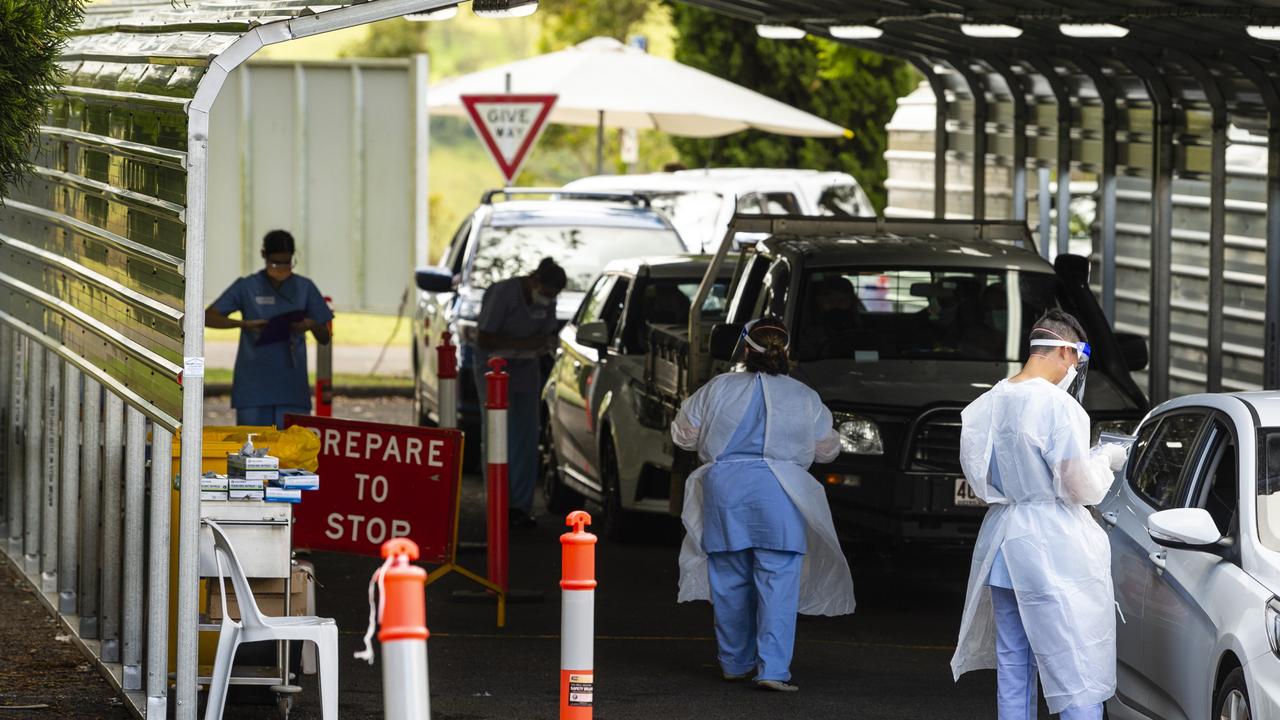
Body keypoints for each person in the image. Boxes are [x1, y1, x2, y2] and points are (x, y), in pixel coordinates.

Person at [951, 309, 1129, 720]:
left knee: (1014, 662)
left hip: (1004, 540)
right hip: (1053, 545)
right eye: (1077, 361)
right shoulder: (1059, 407)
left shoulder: (985, 403)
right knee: (1074, 660)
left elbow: (979, 472)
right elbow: (1078, 485)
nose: (1074, 371)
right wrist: (1105, 460)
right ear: (1066, 351)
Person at [671, 317, 855, 692]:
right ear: (784, 351)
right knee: (778, 582)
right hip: (780, 492)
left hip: (727, 492)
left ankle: (734, 662)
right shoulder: (803, 396)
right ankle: (772, 669)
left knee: (728, 579)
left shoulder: (718, 388)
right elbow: (826, 450)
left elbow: (683, 435)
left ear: (743, 348)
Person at [472, 258, 567, 528]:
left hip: (525, 367)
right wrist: (524, 343)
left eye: (553, 297)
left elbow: (547, 331)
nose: (547, 300)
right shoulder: (503, 293)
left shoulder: (545, 301)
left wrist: (544, 343)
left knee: (525, 436)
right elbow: (484, 338)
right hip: (493, 368)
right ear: (535, 280)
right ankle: (497, 502)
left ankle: (520, 507)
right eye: (546, 293)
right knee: (497, 433)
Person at [205, 229, 332, 429]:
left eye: (287, 263)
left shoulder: (305, 287)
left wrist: (312, 324)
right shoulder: (247, 286)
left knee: (292, 455)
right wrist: (244, 324)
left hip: (292, 389)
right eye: (275, 263)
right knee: (252, 454)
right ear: (264, 256)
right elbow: (208, 317)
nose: (281, 269)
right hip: (253, 388)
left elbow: (325, 337)